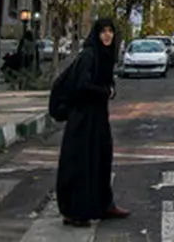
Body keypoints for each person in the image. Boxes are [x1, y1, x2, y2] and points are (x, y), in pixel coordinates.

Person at [56, 18, 130, 227]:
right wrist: (106, 91)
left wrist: (109, 87)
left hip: (97, 116)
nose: (107, 35)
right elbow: (82, 86)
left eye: (110, 32)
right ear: (96, 35)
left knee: (101, 159)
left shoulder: (104, 56)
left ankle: (104, 205)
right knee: (80, 162)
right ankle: (74, 212)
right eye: (103, 32)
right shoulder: (89, 55)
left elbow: (104, 80)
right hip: (82, 118)